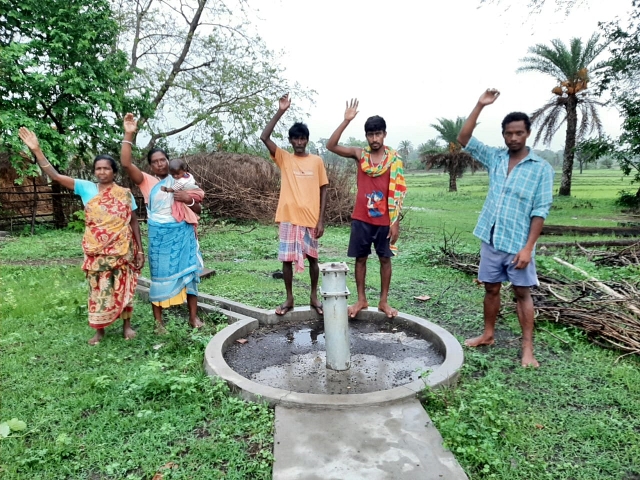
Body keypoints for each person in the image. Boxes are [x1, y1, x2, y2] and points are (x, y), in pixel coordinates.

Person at [18, 127, 144, 345]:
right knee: (97, 289)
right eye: (98, 169)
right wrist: (37, 150)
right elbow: (55, 176)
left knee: (123, 286)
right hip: (96, 250)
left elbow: (133, 221)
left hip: (122, 249)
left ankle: (127, 326)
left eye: (106, 168)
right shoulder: (85, 188)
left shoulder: (124, 194)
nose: (102, 172)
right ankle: (100, 330)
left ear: (114, 172)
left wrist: (140, 250)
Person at [457, 88, 555, 368]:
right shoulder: (495, 158)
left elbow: (540, 212)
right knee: (491, 289)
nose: (513, 138)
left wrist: (528, 248)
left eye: (519, 133)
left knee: (522, 293)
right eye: (509, 133)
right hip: (491, 237)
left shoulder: (541, 169)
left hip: (518, 244)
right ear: (503, 135)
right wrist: (479, 105)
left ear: (527, 134)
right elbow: (463, 139)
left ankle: (527, 350)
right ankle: (488, 334)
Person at [120, 113, 205, 331]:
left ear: (168, 161)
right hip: (160, 237)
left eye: (163, 160)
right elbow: (126, 163)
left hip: (183, 233)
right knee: (159, 277)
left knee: (190, 274)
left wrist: (189, 199)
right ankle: (159, 323)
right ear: (150, 166)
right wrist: (129, 133)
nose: (160, 164)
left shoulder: (181, 180)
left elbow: (198, 209)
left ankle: (193, 317)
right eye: (155, 161)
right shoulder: (146, 181)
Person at [326, 99, 407, 319]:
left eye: (378, 134)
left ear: (384, 135)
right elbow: (330, 146)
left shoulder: (393, 159)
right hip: (361, 218)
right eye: (370, 135)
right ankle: (361, 299)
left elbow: (398, 192)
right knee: (360, 259)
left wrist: (396, 221)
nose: (374, 139)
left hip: (384, 220)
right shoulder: (360, 155)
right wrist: (346, 120)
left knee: (384, 259)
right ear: (366, 137)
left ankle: (383, 301)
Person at [260, 93, 328, 316]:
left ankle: (314, 296)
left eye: (302, 138)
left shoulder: (316, 161)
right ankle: (289, 298)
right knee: (287, 260)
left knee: (314, 260)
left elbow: (323, 188)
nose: (299, 142)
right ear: (290, 141)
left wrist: (321, 219)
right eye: (295, 139)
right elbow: (264, 136)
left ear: (307, 140)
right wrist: (281, 110)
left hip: (310, 219)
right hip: (289, 217)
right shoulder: (284, 158)